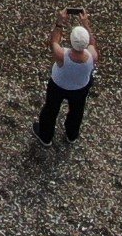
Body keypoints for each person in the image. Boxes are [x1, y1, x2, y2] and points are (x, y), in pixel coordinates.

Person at [32, 9, 98, 146]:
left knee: (51, 109)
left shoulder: (62, 55)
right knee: (77, 111)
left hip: (58, 86)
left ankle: (46, 136)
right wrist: (86, 24)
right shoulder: (92, 56)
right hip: (80, 88)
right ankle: (71, 134)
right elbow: (92, 42)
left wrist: (59, 23)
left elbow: (54, 41)